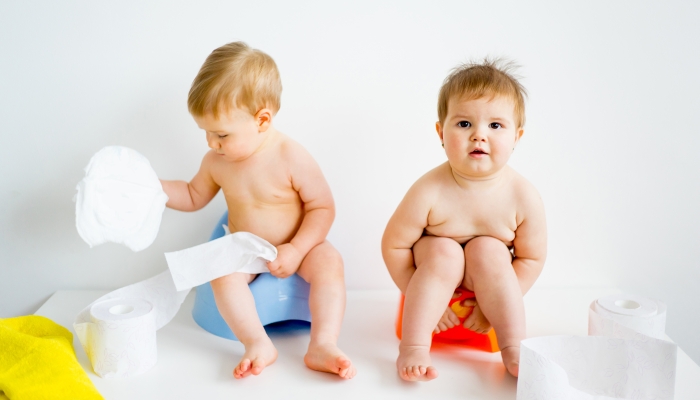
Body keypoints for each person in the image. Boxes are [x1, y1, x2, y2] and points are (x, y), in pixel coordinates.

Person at [160, 42, 355, 380]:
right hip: (245, 248)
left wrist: (296, 249)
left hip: (298, 246)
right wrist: (153, 188)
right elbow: (192, 195)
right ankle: (257, 343)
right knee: (221, 275)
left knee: (331, 263)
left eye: (221, 134)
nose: (210, 142)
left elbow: (322, 208)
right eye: (206, 132)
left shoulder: (290, 156)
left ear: (262, 119)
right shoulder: (216, 162)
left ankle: (323, 343)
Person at [381, 59, 547, 380]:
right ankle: (414, 346)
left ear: (517, 136)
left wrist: (492, 307)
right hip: (434, 270)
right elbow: (395, 246)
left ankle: (513, 345)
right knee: (444, 251)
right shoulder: (428, 190)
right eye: (464, 124)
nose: (479, 136)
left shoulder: (523, 196)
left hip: (488, 277)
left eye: (495, 126)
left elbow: (531, 258)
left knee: (489, 249)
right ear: (441, 132)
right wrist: (420, 296)